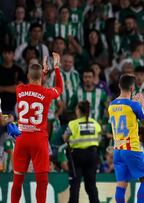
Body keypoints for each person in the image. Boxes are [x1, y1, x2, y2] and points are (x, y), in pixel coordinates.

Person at [11, 53, 63, 203]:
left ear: (28, 75)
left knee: (18, 180)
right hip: (39, 140)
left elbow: (34, 85)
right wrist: (56, 68)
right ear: (42, 76)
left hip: (21, 138)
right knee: (42, 183)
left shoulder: (19, 89)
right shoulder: (47, 93)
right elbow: (59, 87)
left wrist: (43, 73)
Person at [108, 74, 144, 203]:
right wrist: (142, 105)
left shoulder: (111, 105)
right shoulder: (133, 105)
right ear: (132, 88)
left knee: (121, 184)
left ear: (119, 86)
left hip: (117, 151)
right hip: (131, 148)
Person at [63, 101, 101, 203]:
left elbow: (65, 138)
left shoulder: (73, 124)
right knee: (91, 185)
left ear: (79, 110)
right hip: (92, 155)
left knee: (75, 185)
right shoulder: (94, 123)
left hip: (77, 156)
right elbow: (99, 137)